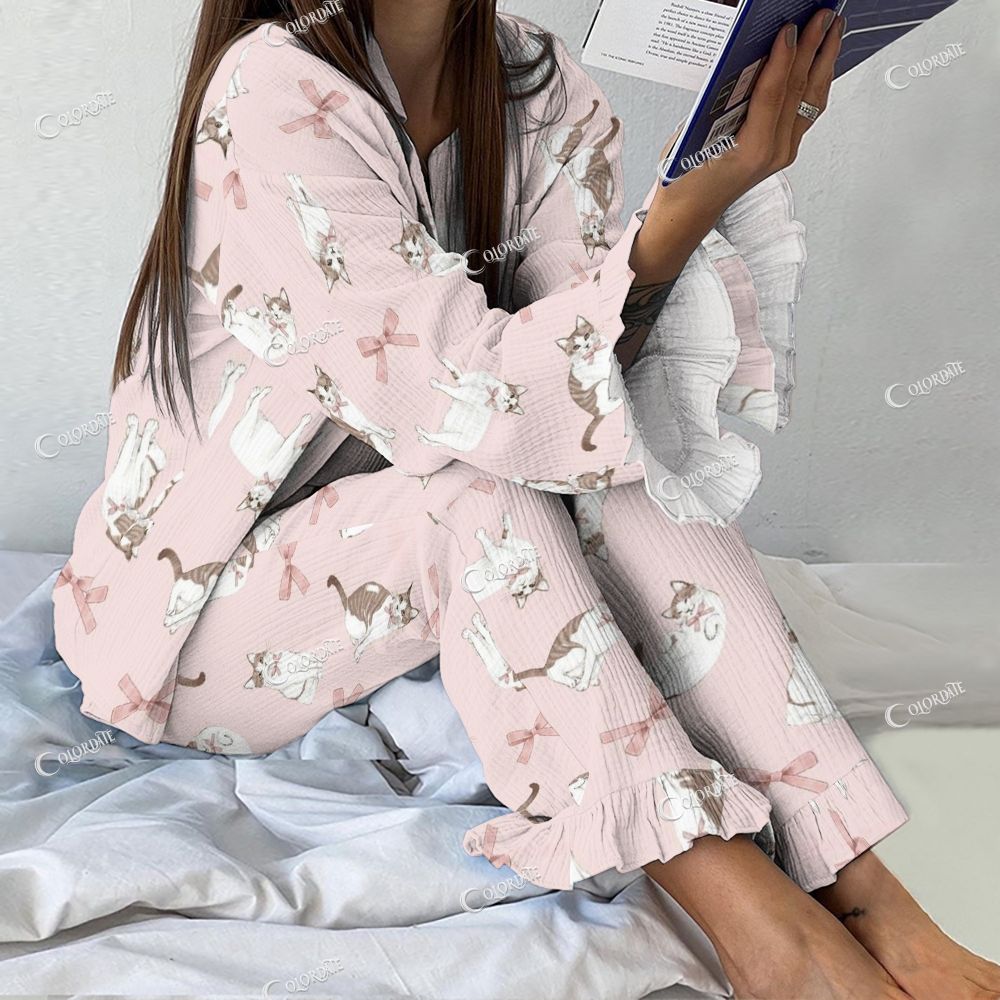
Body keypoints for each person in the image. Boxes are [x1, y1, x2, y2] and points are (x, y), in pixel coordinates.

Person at [53, 2, 1000, 997]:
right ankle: (766, 937)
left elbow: (585, 391)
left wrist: (704, 189)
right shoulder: (267, 89)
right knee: (472, 487)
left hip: (398, 552)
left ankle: (874, 903)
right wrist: (683, 211)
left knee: (622, 472)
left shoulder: (531, 76)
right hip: (198, 616)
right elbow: (464, 399)